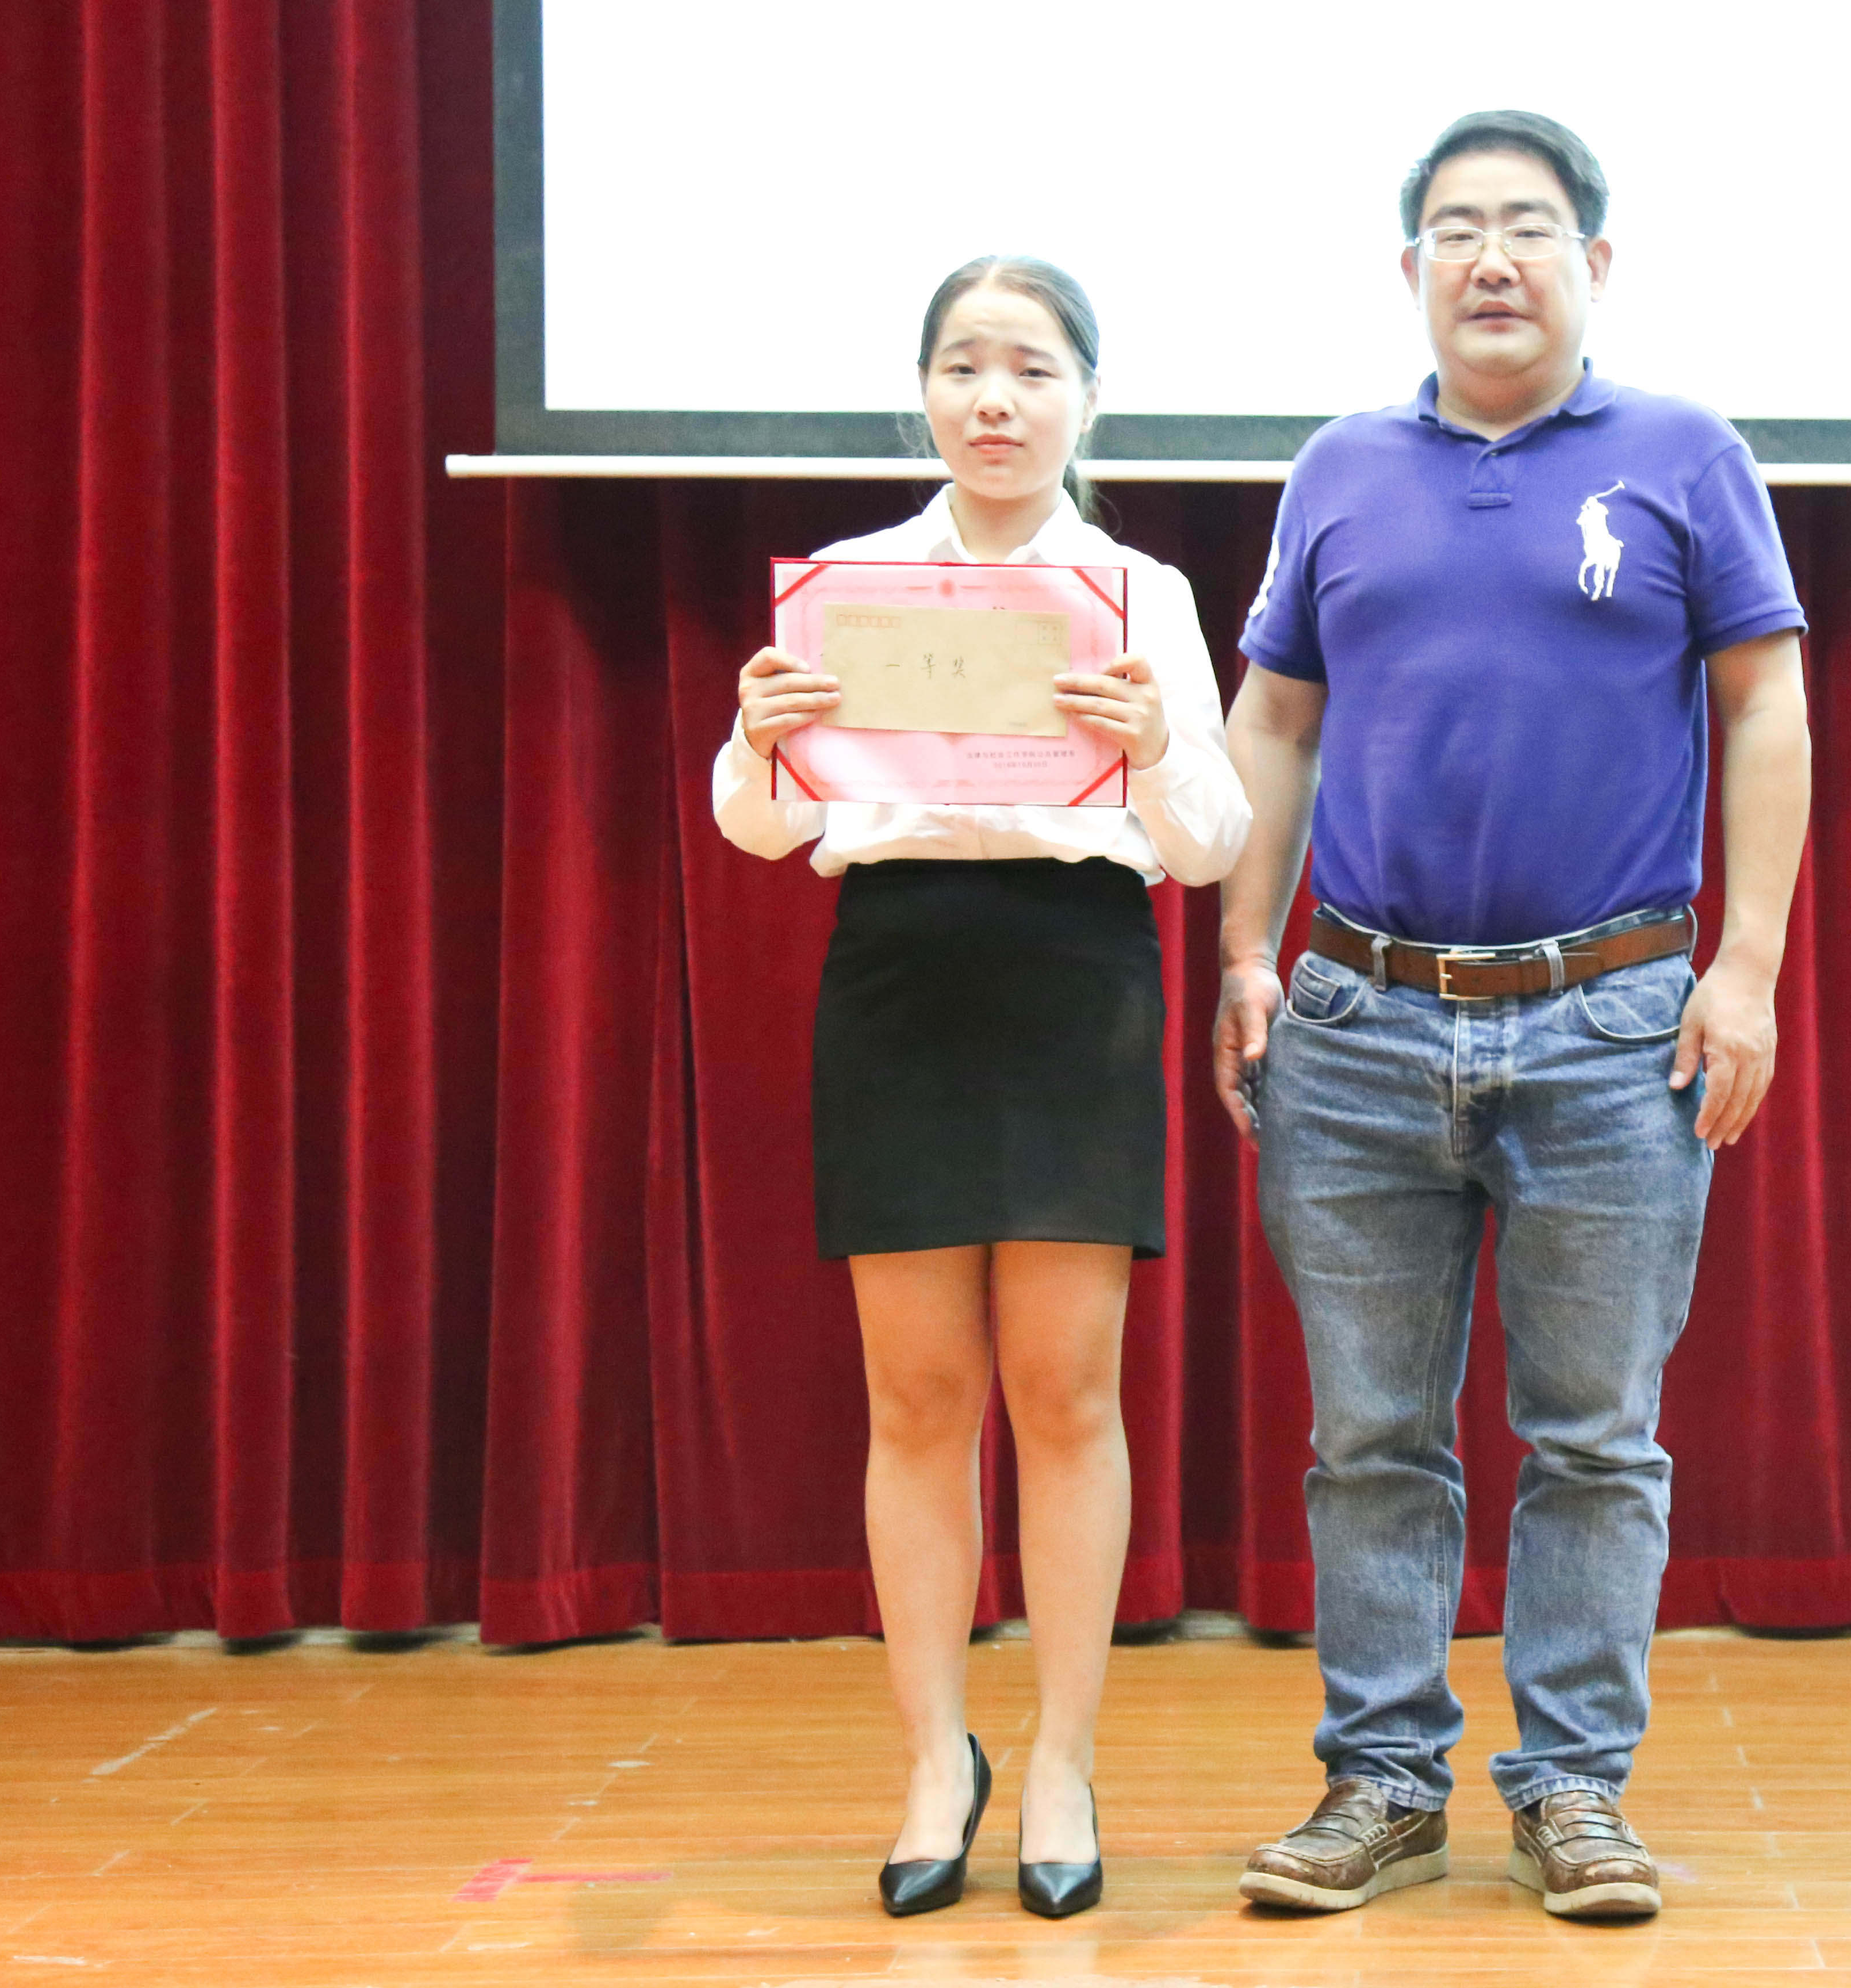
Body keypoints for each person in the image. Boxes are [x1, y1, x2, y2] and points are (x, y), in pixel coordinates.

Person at [1212, 111, 1812, 1921]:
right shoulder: (1337, 466)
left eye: (1530, 226)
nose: (1492, 258)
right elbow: (1274, 721)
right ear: (1410, 269)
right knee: (1368, 1438)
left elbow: (1764, 704)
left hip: (1613, 1023)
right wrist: (1243, 948)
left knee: (1595, 1438)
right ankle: (1380, 1782)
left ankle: (1572, 1789)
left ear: (1592, 264)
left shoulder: (1683, 454)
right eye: (1458, 229)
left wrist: (1747, 965)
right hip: (1357, 1020)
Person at [714, 255, 1250, 1919]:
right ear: (925, 395)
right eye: (963, 366)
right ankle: (933, 1761)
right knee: (919, 1397)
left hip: (1075, 978)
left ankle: (1065, 1760)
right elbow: (764, 825)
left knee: (1068, 1392)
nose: (995, 399)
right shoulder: (854, 585)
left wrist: (1154, 746)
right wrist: (756, 734)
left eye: (1030, 368)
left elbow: (1209, 844)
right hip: (900, 980)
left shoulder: (1137, 590)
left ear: (1086, 396)